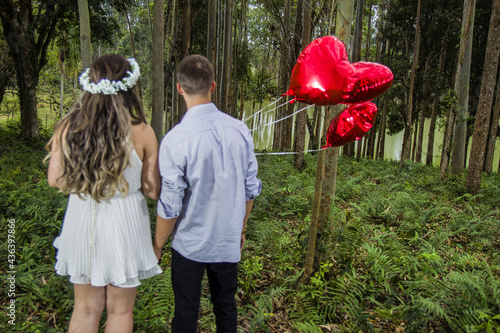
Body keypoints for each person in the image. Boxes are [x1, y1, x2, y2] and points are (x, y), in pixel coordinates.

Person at [46, 54, 162, 333]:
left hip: (83, 214)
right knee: (120, 310)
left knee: (85, 308)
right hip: (126, 220)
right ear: (129, 88)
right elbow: (152, 189)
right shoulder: (143, 132)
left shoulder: (68, 127)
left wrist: (87, 181)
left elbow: (55, 179)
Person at [154, 54, 262, 332]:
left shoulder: (176, 139)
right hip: (227, 238)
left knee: (186, 313)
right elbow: (251, 188)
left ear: (180, 88)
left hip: (190, 243)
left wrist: (157, 245)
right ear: (212, 86)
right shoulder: (240, 130)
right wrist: (241, 227)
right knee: (226, 307)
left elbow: (170, 204)